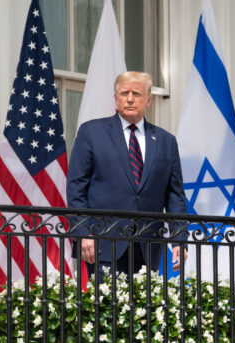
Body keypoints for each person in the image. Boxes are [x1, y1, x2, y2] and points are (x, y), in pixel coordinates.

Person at [67, 71, 188, 279]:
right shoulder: (91, 132)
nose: (130, 99)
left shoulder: (166, 141)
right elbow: (76, 187)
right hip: (102, 244)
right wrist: (83, 232)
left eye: (137, 94)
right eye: (124, 93)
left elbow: (175, 195)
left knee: (144, 310)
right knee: (106, 310)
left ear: (149, 100)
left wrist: (179, 239)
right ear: (116, 98)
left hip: (148, 246)